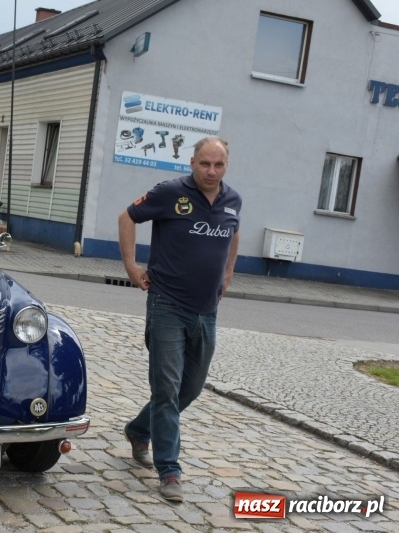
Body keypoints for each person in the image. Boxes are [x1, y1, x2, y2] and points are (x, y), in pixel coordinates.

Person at [118, 136, 241, 502]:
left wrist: (228, 273)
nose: (211, 171)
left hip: (207, 311)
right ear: (192, 163)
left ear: (226, 166)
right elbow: (127, 217)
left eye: (218, 165)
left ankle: (138, 430)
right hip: (167, 306)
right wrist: (131, 266)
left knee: (190, 388)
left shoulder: (233, 201)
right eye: (205, 163)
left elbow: (233, 233)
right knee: (167, 390)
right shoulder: (170, 193)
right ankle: (169, 470)